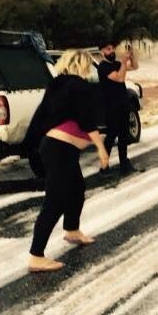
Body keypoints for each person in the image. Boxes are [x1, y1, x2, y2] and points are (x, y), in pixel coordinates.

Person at [27, 50, 109, 272]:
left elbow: (42, 116)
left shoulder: (57, 84)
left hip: (56, 148)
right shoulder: (77, 85)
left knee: (76, 189)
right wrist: (101, 148)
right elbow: (85, 119)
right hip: (59, 149)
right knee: (55, 200)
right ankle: (36, 256)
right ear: (81, 64)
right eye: (87, 65)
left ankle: (72, 230)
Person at [97, 40, 139, 175]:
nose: (111, 52)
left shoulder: (117, 64)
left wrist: (131, 56)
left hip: (122, 104)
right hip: (111, 106)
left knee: (123, 135)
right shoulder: (102, 67)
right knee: (110, 136)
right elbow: (120, 78)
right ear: (102, 52)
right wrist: (123, 62)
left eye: (112, 49)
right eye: (108, 49)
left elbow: (135, 66)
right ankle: (104, 167)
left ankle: (124, 165)